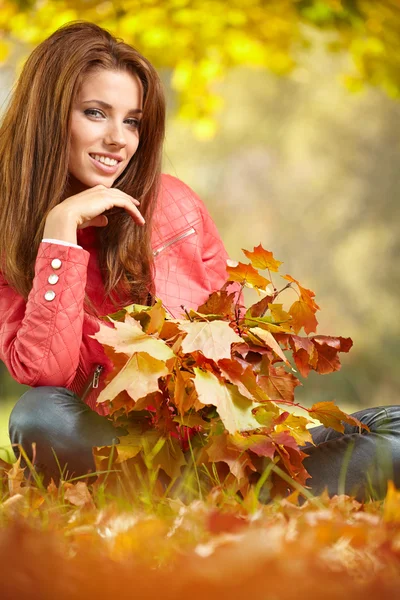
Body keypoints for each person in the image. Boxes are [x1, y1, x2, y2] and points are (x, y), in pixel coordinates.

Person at [0, 22, 399, 500]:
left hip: (213, 441)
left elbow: (229, 347)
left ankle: (209, 488)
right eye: (94, 113)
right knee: (36, 415)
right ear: (46, 117)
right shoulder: (12, 234)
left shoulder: (175, 207)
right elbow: (47, 376)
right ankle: (248, 494)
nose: (118, 139)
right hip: (112, 444)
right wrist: (61, 236)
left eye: (131, 121)